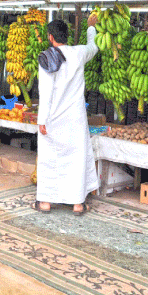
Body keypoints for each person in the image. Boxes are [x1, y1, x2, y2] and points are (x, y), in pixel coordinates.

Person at [34, 15, 100, 216]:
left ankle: (45, 201)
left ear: (51, 37)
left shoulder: (46, 58)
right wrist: (91, 28)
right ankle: (77, 204)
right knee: (76, 160)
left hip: (53, 118)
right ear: (67, 36)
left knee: (49, 159)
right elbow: (93, 47)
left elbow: (45, 92)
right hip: (75, 118)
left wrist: (41, 120)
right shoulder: (79, 53)